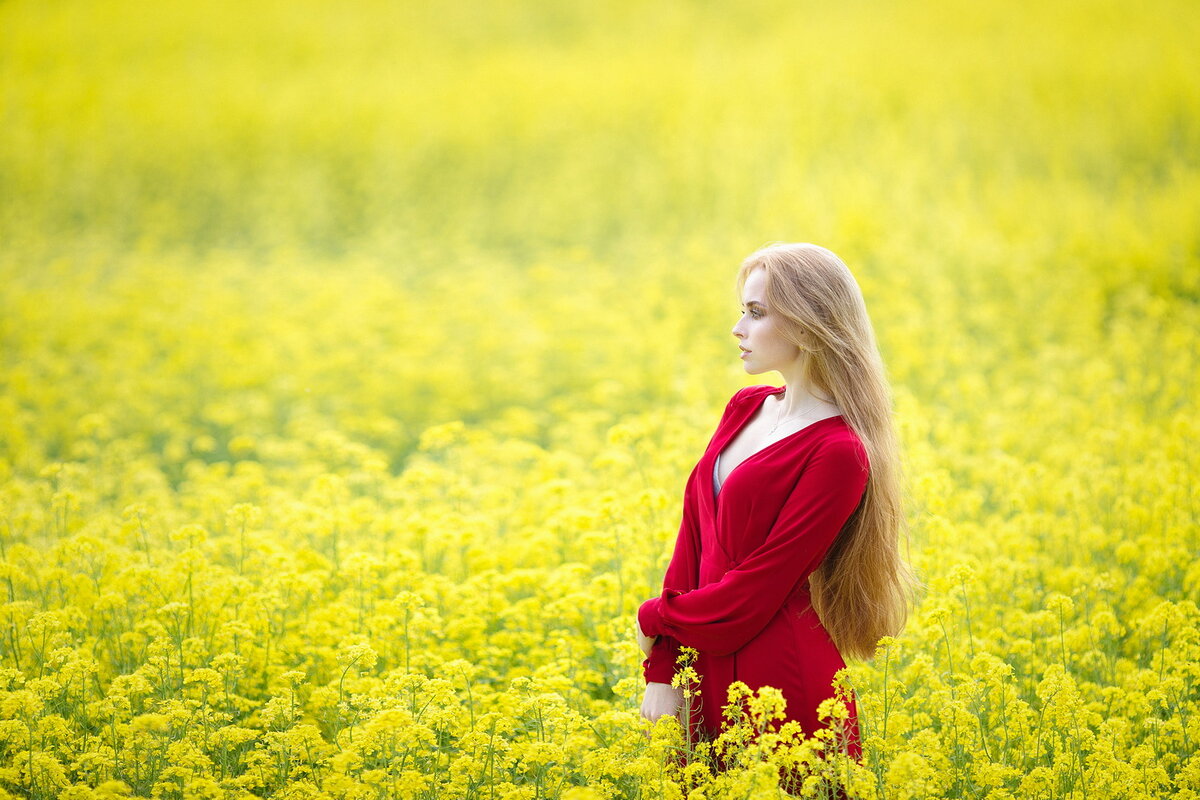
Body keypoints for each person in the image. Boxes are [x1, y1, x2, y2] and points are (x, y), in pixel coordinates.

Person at [635, 242, 915, 759]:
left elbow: (757, 590)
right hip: (701, 665)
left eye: (756, 312)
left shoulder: (840, 452)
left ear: (807, 327)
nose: (738, 328)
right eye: (742, 310)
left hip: (779, 685)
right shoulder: (745, 407)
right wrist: (664, 668)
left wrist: (655, 618)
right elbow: (691, 545)